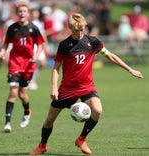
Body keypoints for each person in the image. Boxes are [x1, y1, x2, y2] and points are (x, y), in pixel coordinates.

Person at [31, 13, 143, 155]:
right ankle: (43, 145)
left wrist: (130, 69)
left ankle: (82, 139)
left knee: (97, 111)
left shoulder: (93, 42)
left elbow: (110, 56)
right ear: (70, 29)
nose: (79, 33)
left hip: (86, 87)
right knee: (49, 120)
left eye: (82, 29)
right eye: (76, 30)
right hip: (67, 88)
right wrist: (54, 87)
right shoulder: (64, 45)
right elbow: (56, 68)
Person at [0, 1, 45, 133]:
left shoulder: (33, 28)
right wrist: (2, 52)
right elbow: (6, 43)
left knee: (22, 94)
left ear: (28, 13)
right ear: (17, 13)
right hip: (14, 63)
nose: (22, 13)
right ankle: (7, 123)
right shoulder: (12, 28)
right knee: (13, 92)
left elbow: (40, 45)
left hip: (28, 65)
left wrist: (36, 55)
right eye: (20, 11)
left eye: (24, 11)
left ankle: (26, 112)